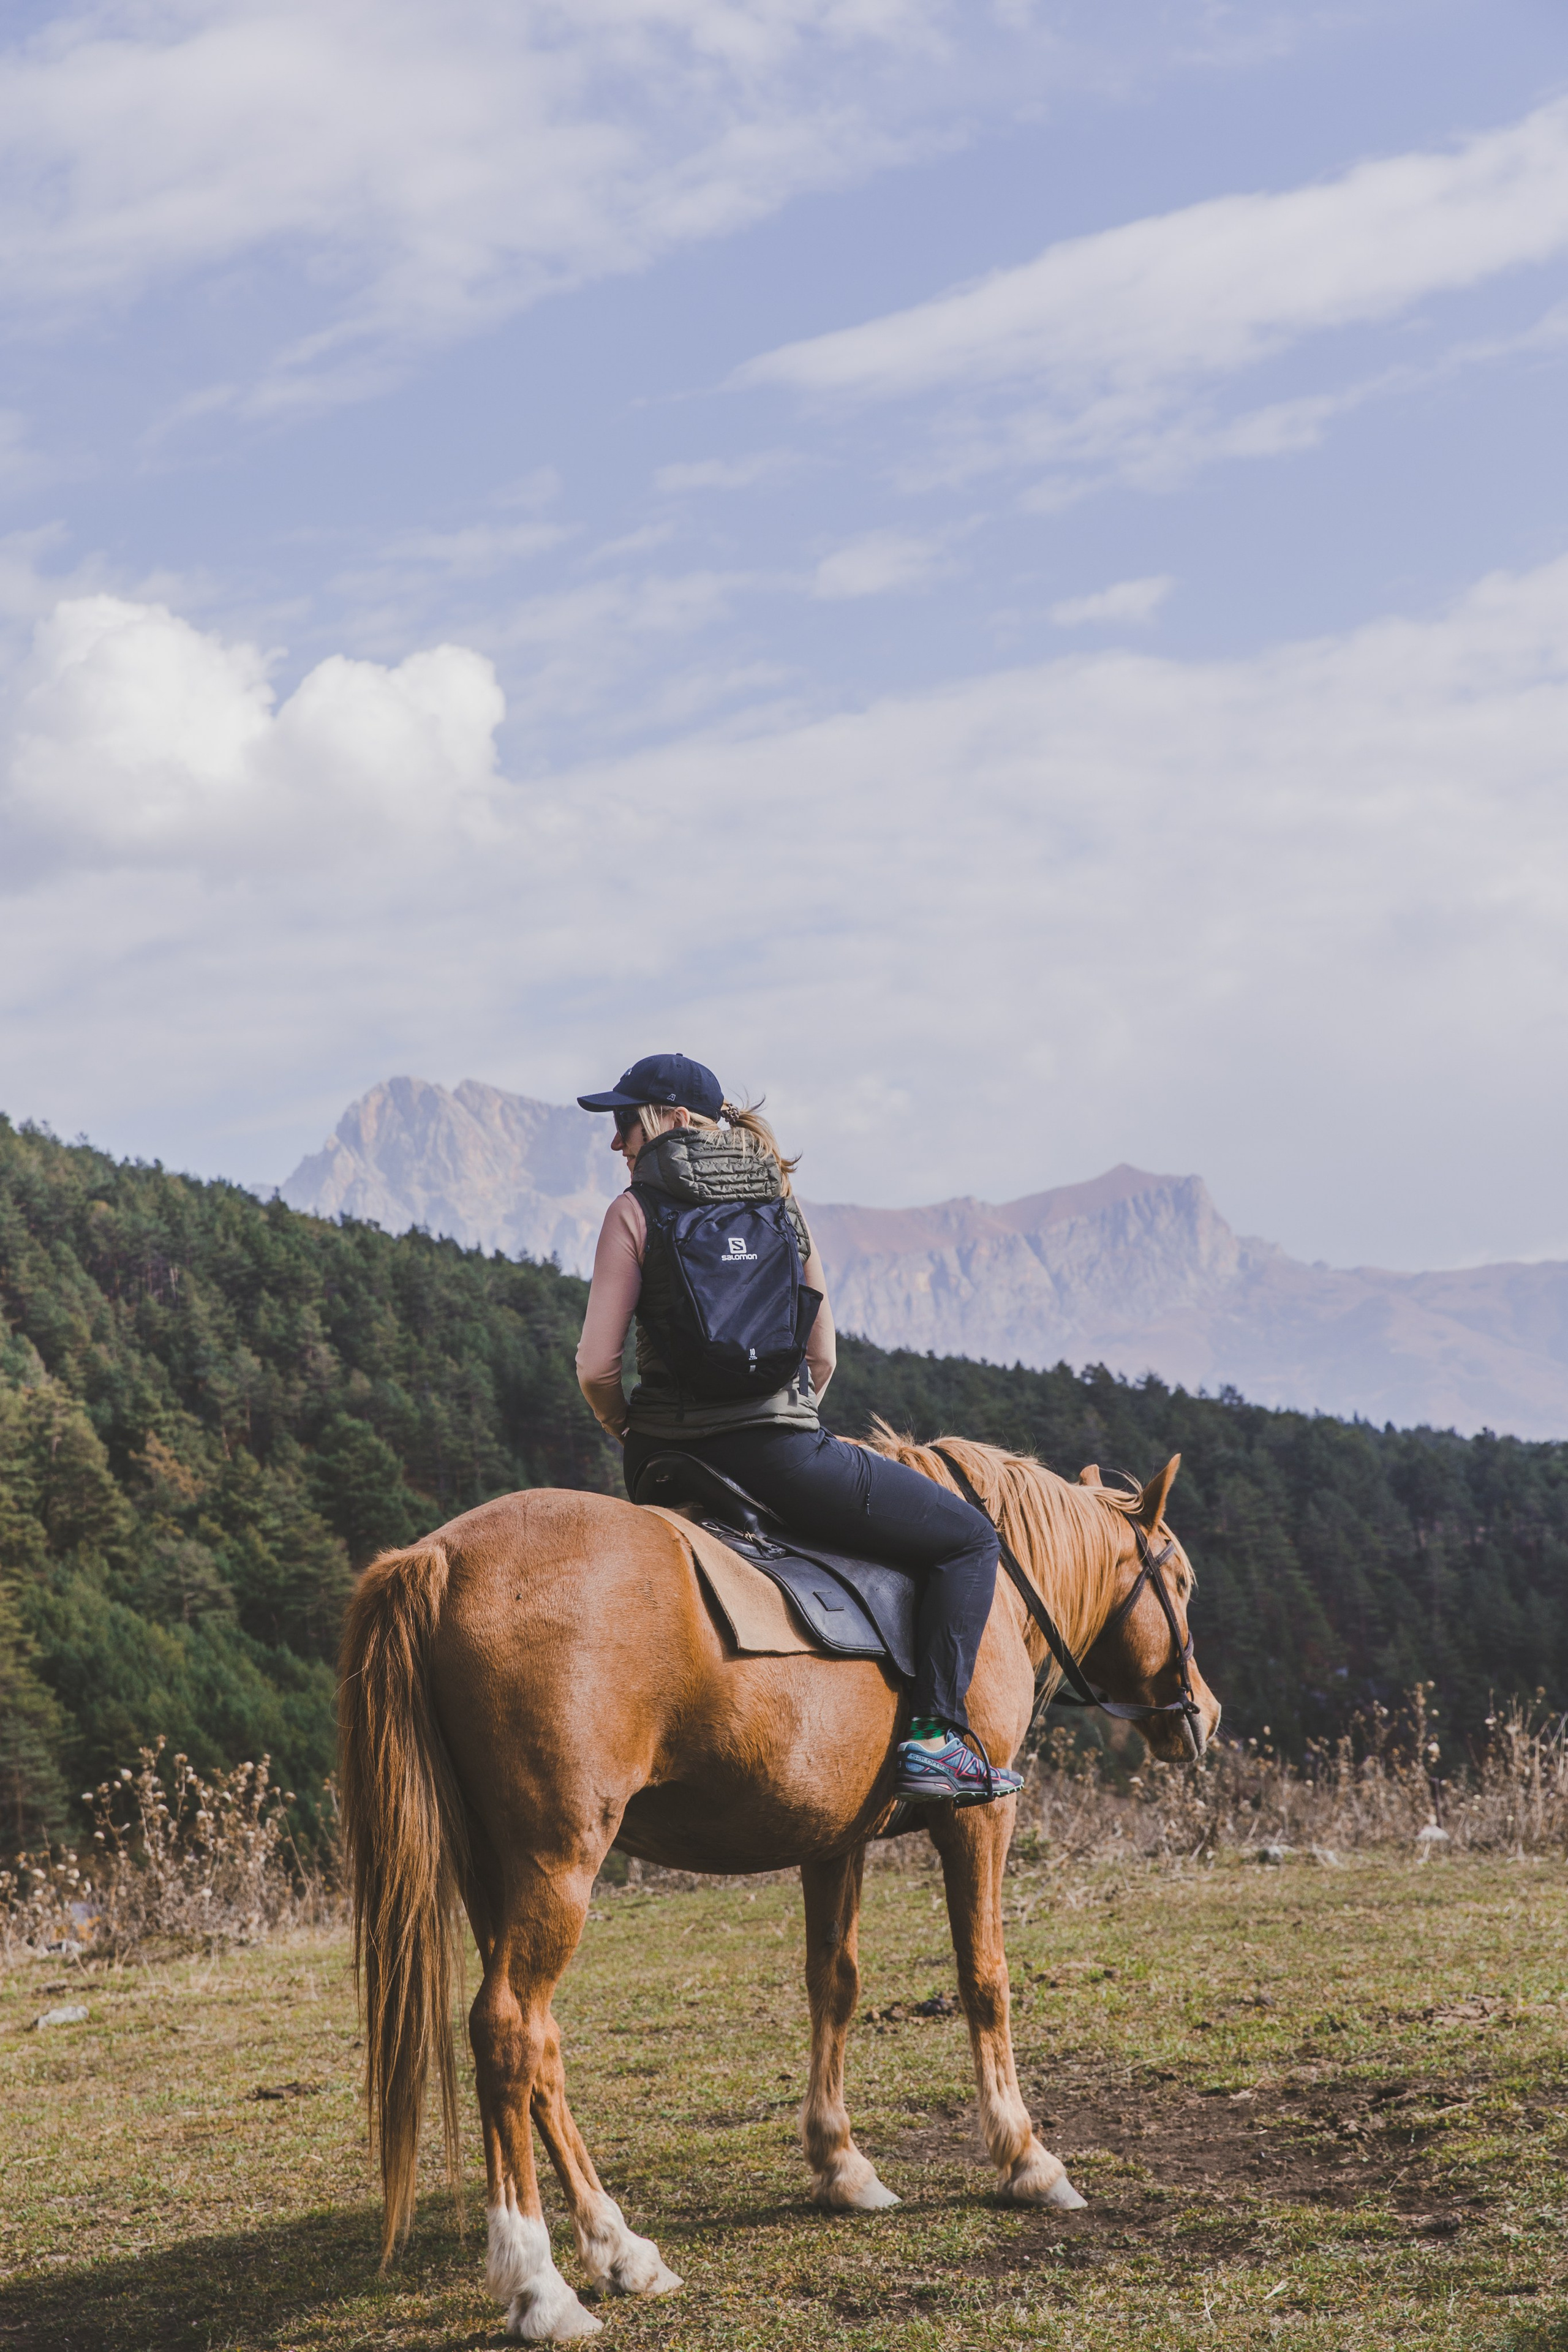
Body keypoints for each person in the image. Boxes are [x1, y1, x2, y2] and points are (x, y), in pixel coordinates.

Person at [575, 1052, 1022, 1805]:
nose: (616, 1142)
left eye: (625, 1121)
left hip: (661, 1462)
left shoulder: (632, 1213)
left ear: (672, 1120)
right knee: (969, 1541)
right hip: (776, 1457)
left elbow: (595, 1367)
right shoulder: (780, 1203)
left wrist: (637, 1430)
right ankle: (937, 1742)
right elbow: (822, 1355)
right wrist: (781, 1418)